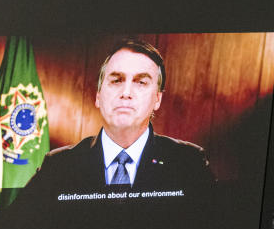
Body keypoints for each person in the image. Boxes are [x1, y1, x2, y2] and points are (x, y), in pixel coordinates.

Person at [15, 39, 214, 205]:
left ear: (157, 99)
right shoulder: (58, 165)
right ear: (98, 96)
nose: (126, 93)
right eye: (116, 80)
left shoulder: (189, 162)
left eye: (141, 82)